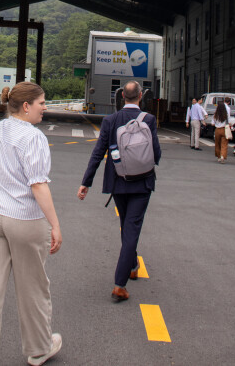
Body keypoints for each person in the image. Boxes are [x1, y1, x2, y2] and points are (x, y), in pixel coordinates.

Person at [0, 82, 62, 366]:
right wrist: (55, 225)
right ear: (26, 106)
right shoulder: (33, 137)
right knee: (33, 288)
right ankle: (39, 349)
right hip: (24, 218)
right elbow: (38, 185)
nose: (45, 108)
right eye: (42, 103)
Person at [77, 80, 161, 303]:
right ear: (140, 96)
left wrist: (86, 182)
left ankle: (131, 266)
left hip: (118, 182)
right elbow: (156, 153)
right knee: (132, 228)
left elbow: (98, 152)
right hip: (142, 184)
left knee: (126, 225)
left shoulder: (110, 120)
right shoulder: (149, 120)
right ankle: (119, 285)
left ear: (122, 96)